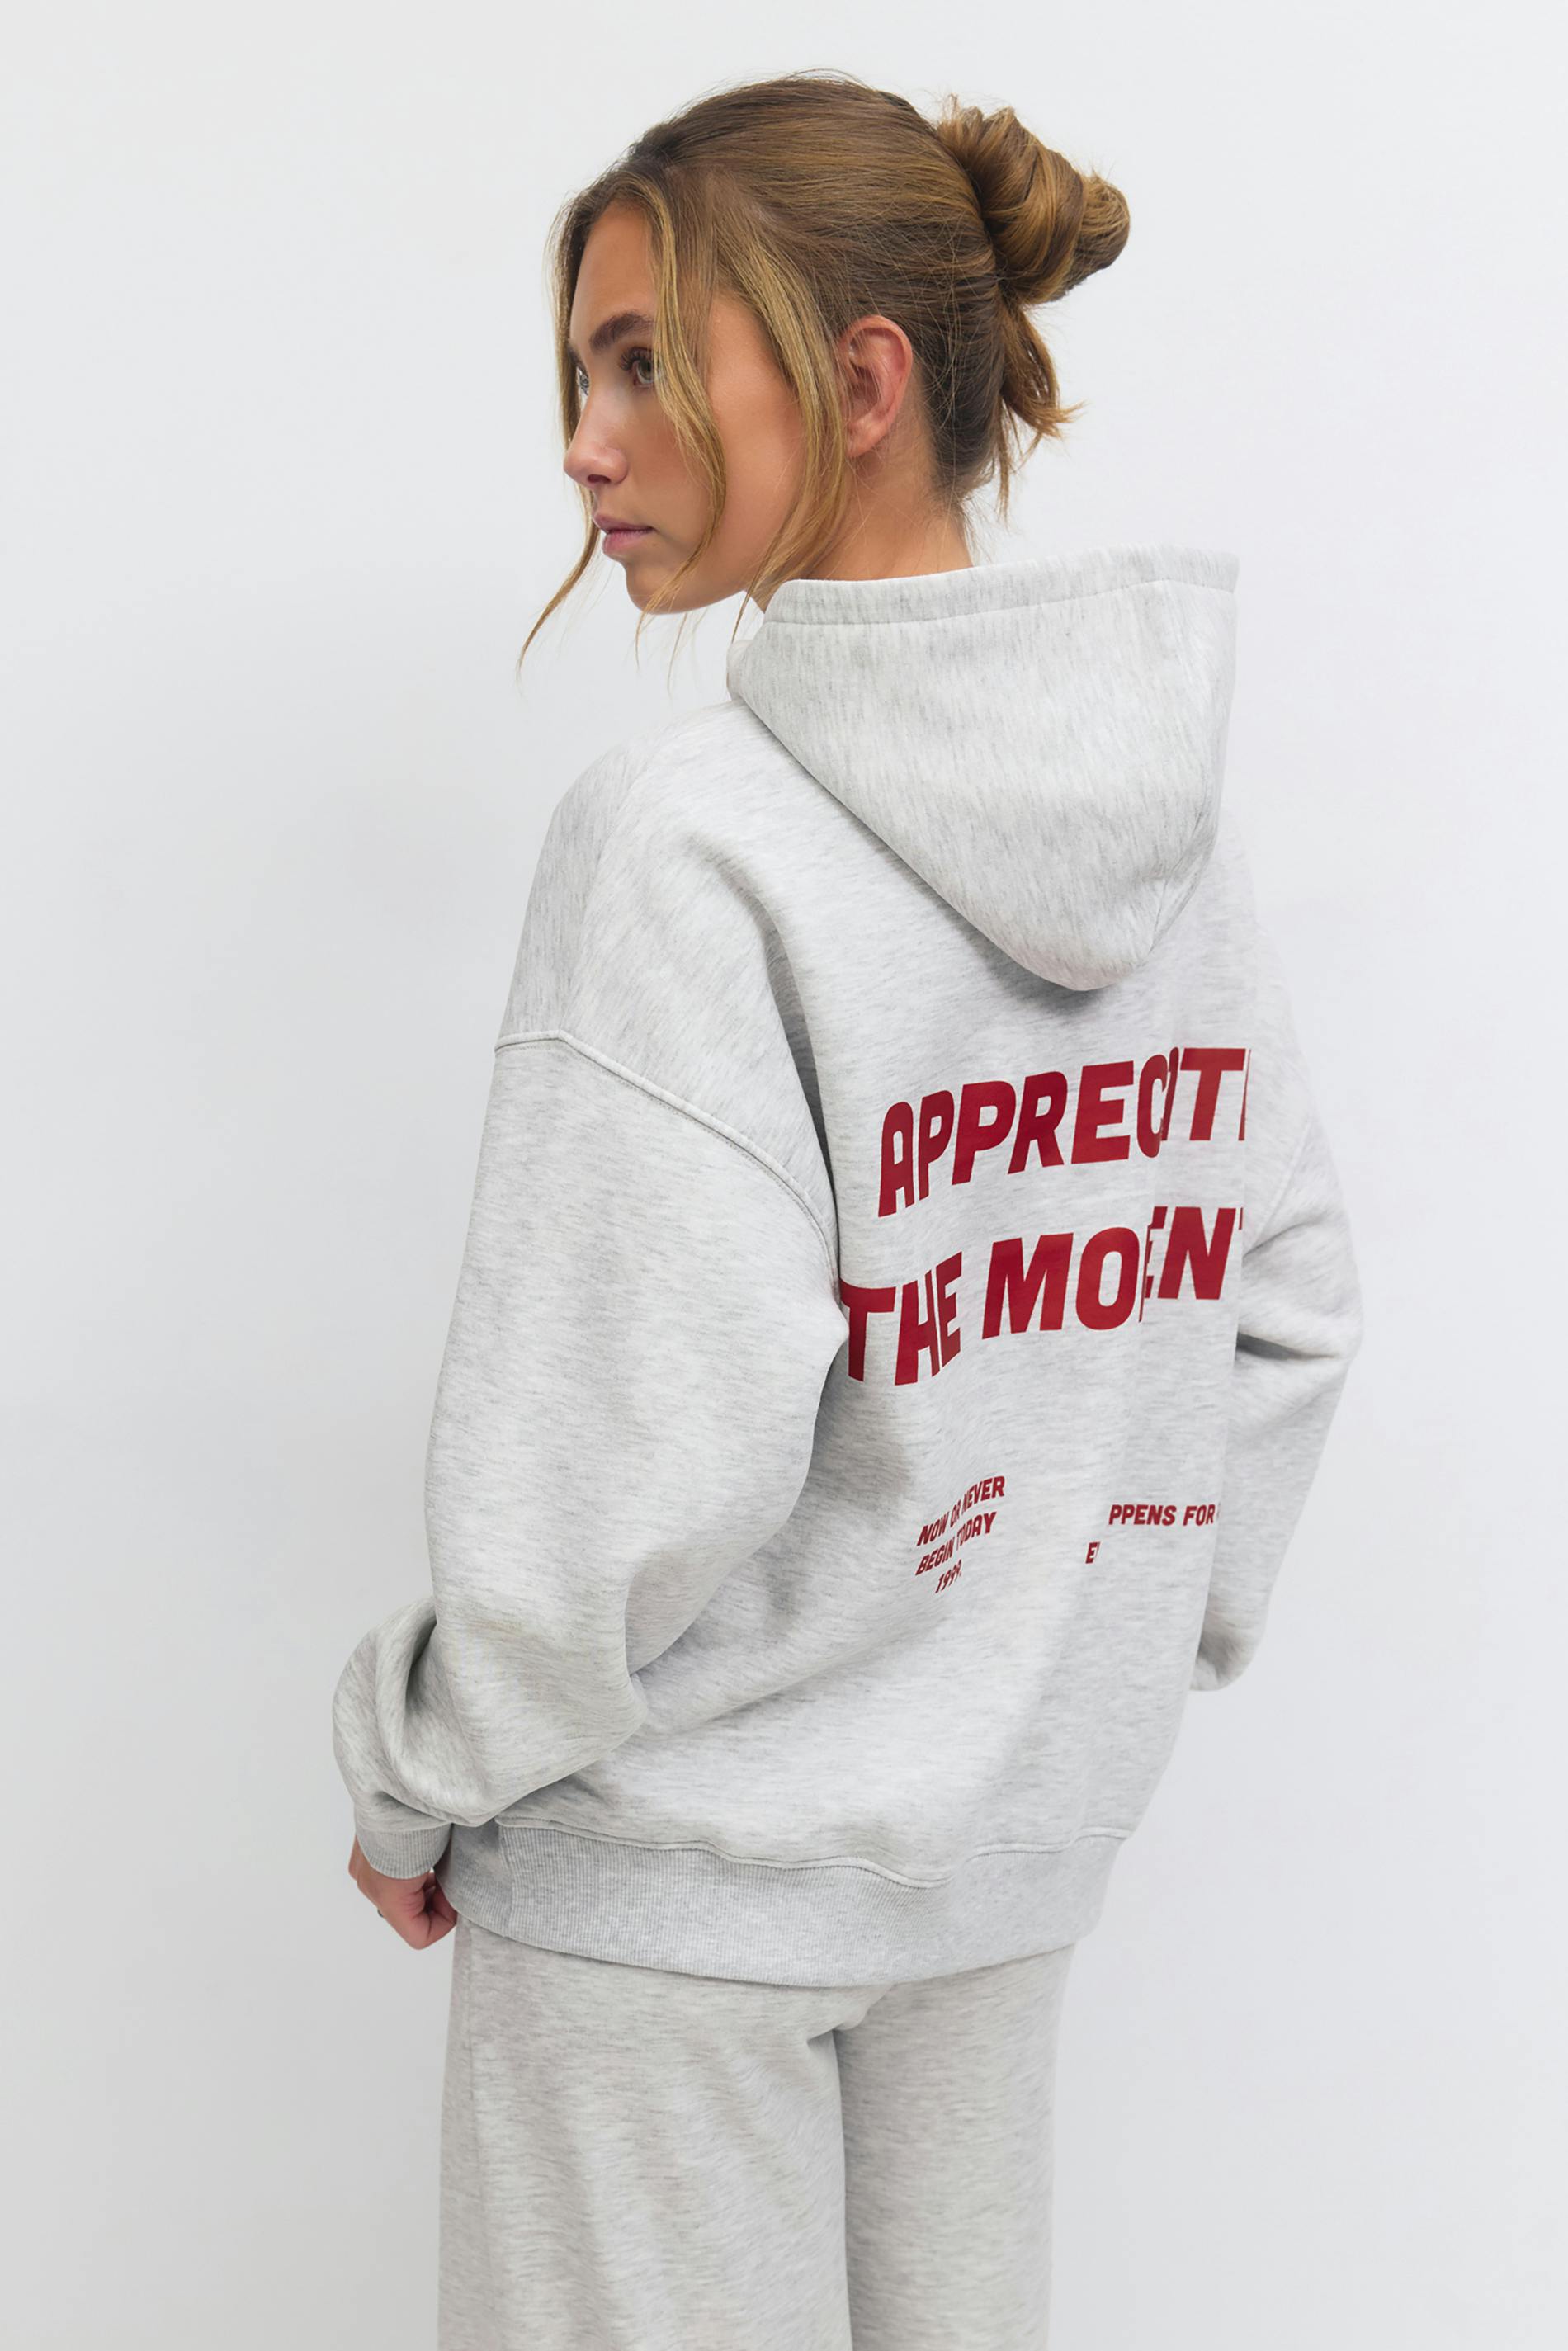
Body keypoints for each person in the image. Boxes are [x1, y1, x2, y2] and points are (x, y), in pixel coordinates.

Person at [331, 70, 1364, 2351]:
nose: (584, 446)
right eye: (577, 377)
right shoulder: (1170, 841)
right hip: (996, 1878)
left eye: (640, 364)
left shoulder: (683, 842)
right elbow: (1284, 1301)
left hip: (668, 1899)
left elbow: (625, 1466)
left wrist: (416, 1775)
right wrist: (1062, 1656)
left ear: (863, 380)